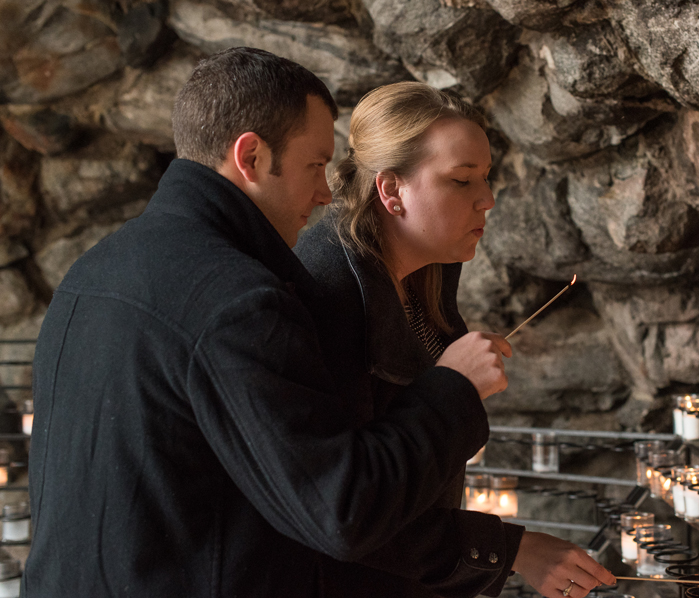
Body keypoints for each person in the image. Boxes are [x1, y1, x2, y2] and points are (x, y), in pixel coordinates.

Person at [22, 48, 525, 597]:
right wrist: (452, 391)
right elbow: (340, 511)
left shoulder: (92, 268)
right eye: (315, 164)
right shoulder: (242, 301)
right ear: (252, 157)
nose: (326, 192)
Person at [296, 82, 616, 598]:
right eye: (462, 180)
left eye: (485, 177)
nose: (487, 199)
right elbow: (343, 512)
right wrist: (513, 550)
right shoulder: (327, 295)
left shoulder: (424, 279)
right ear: (391, 191)